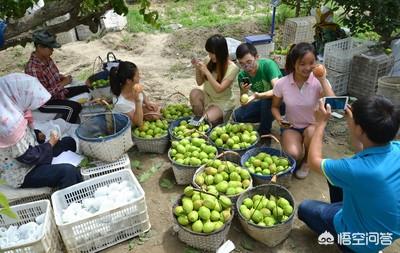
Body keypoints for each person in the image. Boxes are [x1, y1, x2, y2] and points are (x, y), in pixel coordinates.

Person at [298, 95, 400, 253]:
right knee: (333, 179)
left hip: (358, 240)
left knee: (304, 208)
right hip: (383, 230)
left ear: (360, 129)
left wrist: (320, 123)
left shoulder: (356, 169)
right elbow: (363, 147)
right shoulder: (396, 147)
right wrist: (353, 123)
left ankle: (346, 243)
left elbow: (313, 161)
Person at [0, 73, 83, 189]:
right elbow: (28, 157)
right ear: (16, 95)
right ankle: (69, 202)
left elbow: (24, 136)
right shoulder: (7, 125)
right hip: (23, 171)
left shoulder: (15, 111)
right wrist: (50, 144)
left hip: (35, 155)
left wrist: (37, 134)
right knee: (68, 171)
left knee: (69, 142)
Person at [271, 42, 334, 179]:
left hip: (312, 125)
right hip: (291, 126)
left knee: (312, 132)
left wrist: (323, 79)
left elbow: (334, 102)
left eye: (311, 63)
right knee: (293, 154)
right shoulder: (282, 83)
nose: (307, 68)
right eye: (302, 63)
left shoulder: (318, 81)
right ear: (294, 64)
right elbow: (275, 107)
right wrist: (279, 119)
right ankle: (298, 151)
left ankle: (307, 161)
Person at [25, 29, 90, 123]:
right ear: (39, 47)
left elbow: (51, 75)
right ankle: (61, 130)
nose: (52, 50)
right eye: (50, 48)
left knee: (86, 88)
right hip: (46, 102)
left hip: (59, 93)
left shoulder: (47, 58)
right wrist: (63, 84)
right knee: (73, 108)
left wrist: (60, 77)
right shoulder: (33, 69)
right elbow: (43, 95)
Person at [232, 42, 284, 135]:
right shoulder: (243, 75)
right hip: (263, 101)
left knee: (266, 101)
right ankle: (267, 117)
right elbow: (243, 103)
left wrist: (257, 96)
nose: (246, 67)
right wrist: (244, 91)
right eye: (242, 64)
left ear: (256, 57)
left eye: (249, 62)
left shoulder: (268, 65)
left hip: (282, 101)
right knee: (238, 116)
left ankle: (264, 133)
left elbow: (278, 91)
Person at [190, 34, 239, 126]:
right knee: (194, 93)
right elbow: (199, 82)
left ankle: (216, 120)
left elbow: (219, 89)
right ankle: (201, 119)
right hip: (208, 97)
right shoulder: (208, 60)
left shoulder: (232, 68)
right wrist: (197, 68)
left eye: (212, 53)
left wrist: (207, 72)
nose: (210, 55)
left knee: (206, 120)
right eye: (209, 53)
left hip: (222, 102)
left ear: (221, 52)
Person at [109, 61, 160, 127]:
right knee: (155, 115)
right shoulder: (120, 102)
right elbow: (138, 123)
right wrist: (137, 101)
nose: (140, 77)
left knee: (156, 110)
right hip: (131, 124)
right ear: (128, 81)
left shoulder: (133, 86)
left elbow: (141, 93)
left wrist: (147, 102)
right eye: (138, 76)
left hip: (136, 110)